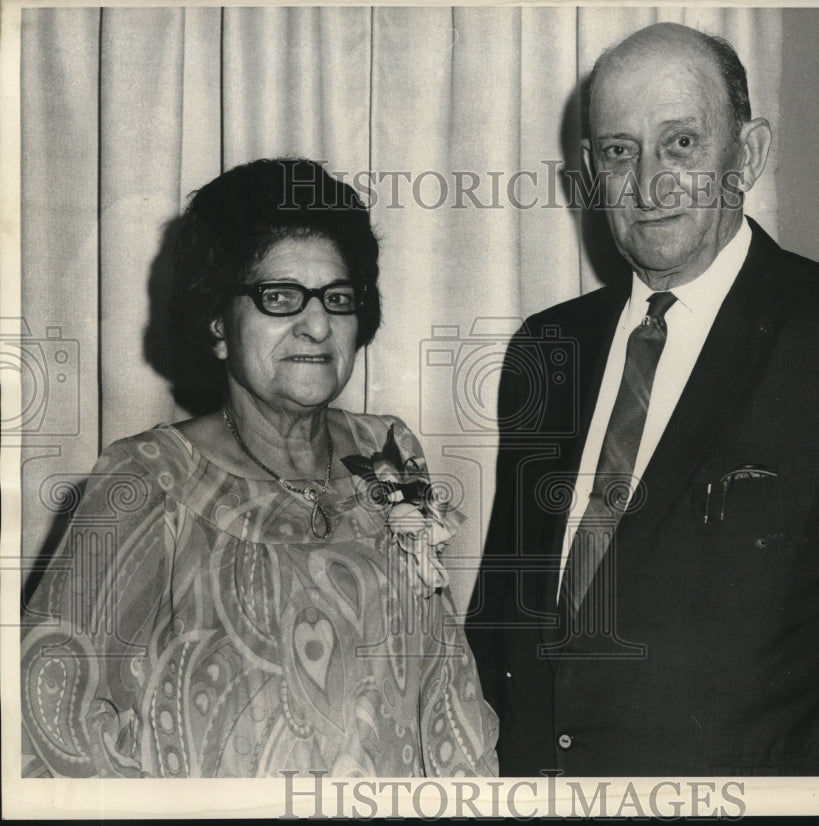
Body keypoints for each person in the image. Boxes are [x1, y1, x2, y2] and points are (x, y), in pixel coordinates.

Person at [467, 23, 819, 776]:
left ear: (750, 153)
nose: (647, 185)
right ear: (591, 172)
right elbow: (501, 629)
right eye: (619, 151)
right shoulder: (548, 350)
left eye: (680, 144)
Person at [21, 158, 498, 778]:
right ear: (218, 322)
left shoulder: (389, 455)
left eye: (338, 297)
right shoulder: (145, 480)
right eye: (279, 297)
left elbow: (444, 678)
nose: (318, 324)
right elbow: (47, 717)